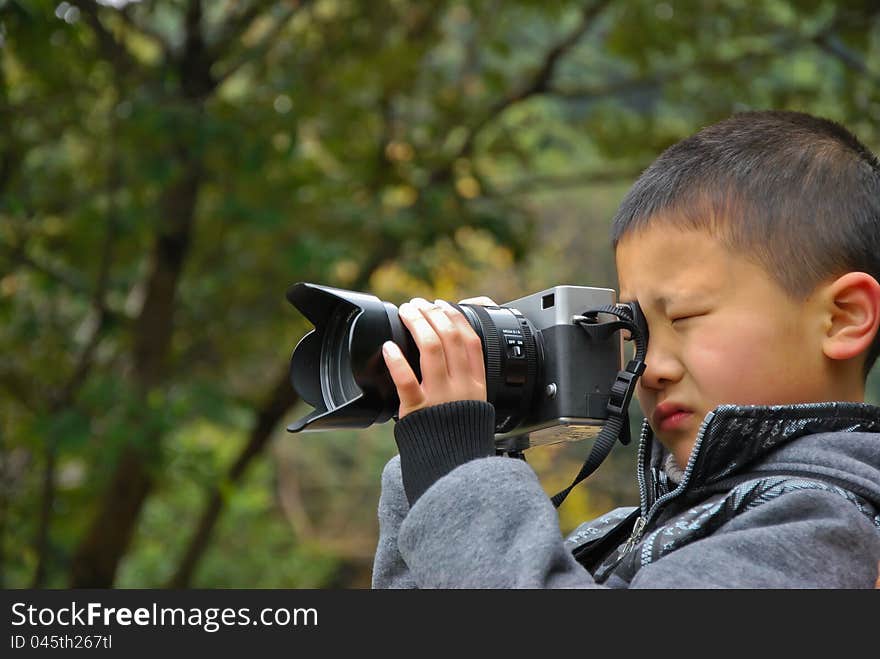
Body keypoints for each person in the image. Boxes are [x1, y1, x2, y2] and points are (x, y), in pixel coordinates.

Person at [372, 110, 880, 588]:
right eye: (637, 334)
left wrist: (462, 480)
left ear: (843, 318)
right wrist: (437, 467)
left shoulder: (827, 525)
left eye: (684, 318)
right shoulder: (618, 536)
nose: (649, 369)